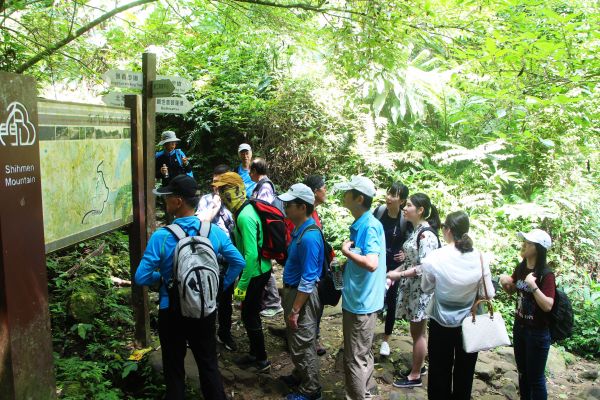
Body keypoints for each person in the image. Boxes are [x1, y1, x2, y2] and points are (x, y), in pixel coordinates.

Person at [134, 175, 245, 400]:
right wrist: (218, 286)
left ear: (178, 201)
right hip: (204, 308)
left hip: (171, 310)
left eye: (167, 198)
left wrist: (163, 280)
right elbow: (238, 262)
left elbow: (141, 276)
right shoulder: (213, 232)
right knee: (208, 366)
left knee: (174, 371)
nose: (165, 203)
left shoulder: (162, 237)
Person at [420, 211, 495, 400]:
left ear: (448, 230)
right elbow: (488, 294)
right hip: (470, 322)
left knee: (438, 369)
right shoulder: (479, 257)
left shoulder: (435, 257)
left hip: (440, 322)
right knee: (465, 371)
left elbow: (426, 287)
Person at [213, 171, 272, 373]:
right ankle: (255, 354)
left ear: (238, 189)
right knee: (249, 314)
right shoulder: (242, 211)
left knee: (250, 314)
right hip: (255, 270)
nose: (222, 196)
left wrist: (241, 287)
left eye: (225, 190)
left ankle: (262, 359)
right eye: (220, 191)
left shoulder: (245, 216)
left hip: (256, 272)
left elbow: (250, 255)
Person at [333, 175, 386, 400]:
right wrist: (349, 261)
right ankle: (367, 391)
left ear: (359, 198)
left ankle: (358, 396)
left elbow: (372, 263)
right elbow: (366, 257)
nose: (344, 196)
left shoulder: (369, 226)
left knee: (354, 357)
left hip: (361, 304)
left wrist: (347, 252)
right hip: (363, 299)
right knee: (362, 352)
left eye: (348, 193)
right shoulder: (364, 223)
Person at [387, 192, 441, 388]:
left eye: (408, 205)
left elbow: (425, 267)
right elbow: (413, 261)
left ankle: (415, 375)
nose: (404, 209)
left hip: (421, 292)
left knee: (417, 332)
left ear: (420, 210)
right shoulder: (418, 230)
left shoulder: (426, 235)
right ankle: (420, 366)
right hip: (415, 289)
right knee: (419, 332)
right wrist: (396, 271)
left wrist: (399, 275)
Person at [278, 183, 324, 400]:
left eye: (290, 204)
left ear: (303, 208)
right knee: (296, 339)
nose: (285, 207)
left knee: (303, 343)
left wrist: (296, 309)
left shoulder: (309, 237)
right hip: (294, 292)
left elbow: (308, 277)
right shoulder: (299, 230)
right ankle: (300, 375)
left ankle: (311, 389)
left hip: (301, 296)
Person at [499, 229, 555, 400]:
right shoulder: (522, 267)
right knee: (523, 373)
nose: (524, 244)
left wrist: (534, 286)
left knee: (536, 379)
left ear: (537, 248)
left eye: (529, 243)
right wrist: (506, 284)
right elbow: (514, 290)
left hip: (537, 333)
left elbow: (547, 306)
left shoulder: (546, 274)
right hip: (520, 328)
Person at [196, 164, 237, 351]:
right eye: (214, 181)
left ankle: (225, 333)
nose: (216, 186)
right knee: (207, 298)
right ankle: (206, 336)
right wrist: (215, 204)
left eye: (220, 182)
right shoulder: (205, 201)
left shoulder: (234, 202)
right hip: (207, 261)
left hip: (228, 261)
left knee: (226, 300)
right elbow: (201, 222)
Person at [374, 182, 410, 357]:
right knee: (373, 296)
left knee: (392, 300)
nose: (388, 197)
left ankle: (386, 340)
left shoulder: (404, 220)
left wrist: (404, 254)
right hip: (376, 264)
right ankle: (368, 332)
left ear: (401, 200)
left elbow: (411, 245)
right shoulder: (379, 212)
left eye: (394, 195)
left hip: (394, 268)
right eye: (388, 193)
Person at [248, 157, 284, 318]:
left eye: (250, 170)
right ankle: (266, 301)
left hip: (264, 233)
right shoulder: (261, 185)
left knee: (264, 265)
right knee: (262, 265)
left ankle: (274, 303)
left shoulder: (265, 186)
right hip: (261, 232)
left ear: (255, 171)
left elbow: (263, 208)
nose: (249, 173)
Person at [303, 174, 330, 356]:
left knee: (317, 304)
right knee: (310, 304)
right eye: (323, 187)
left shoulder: (314, 211)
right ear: (315, 192)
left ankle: (314, 336)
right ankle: (308, 340)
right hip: (310, 269)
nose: (326, 190)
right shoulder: (307, 212)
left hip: (317, 268)